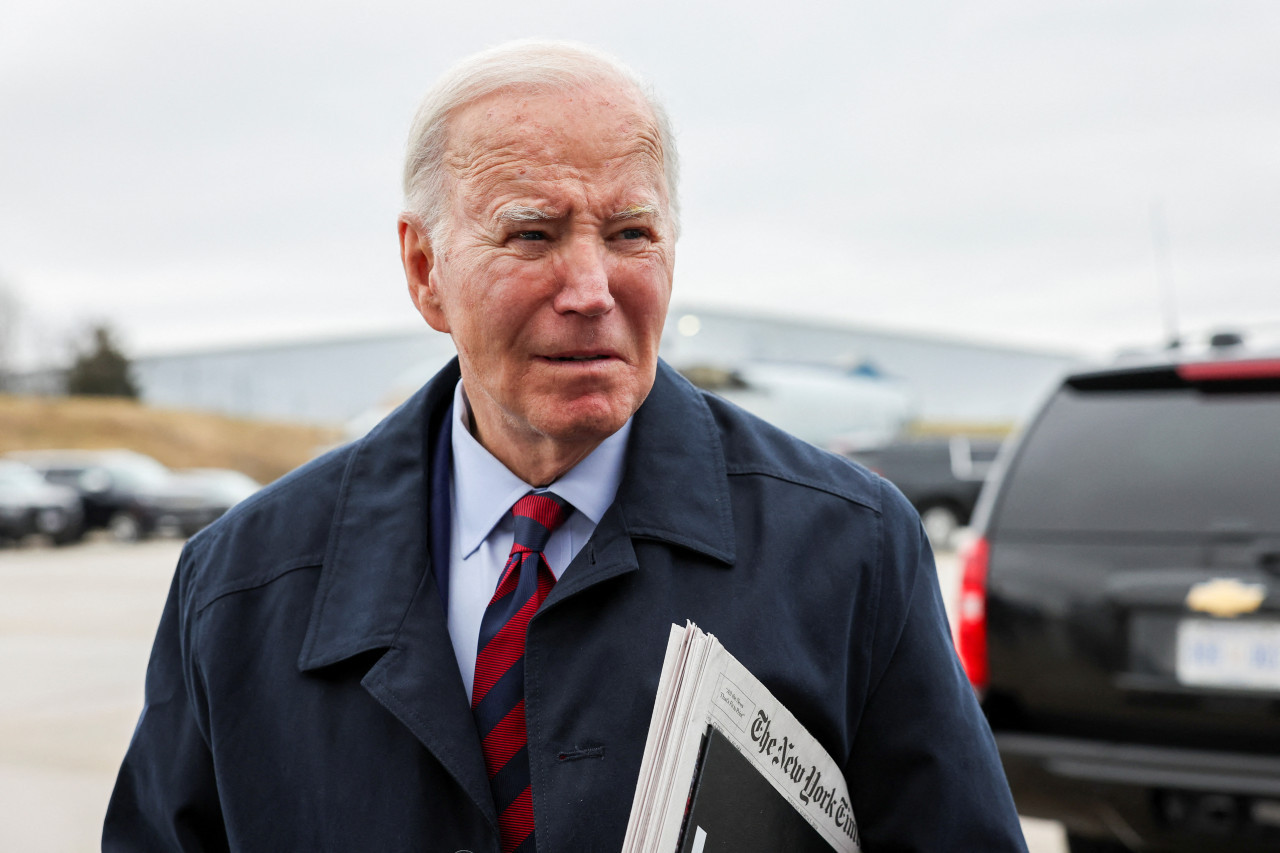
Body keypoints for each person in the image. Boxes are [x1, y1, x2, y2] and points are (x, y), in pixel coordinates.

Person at [104, 40, 1028, 852]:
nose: (591, 287)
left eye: (630, 232)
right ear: (426, 271)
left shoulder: (848, 549)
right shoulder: (242, 586)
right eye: (532, 233)